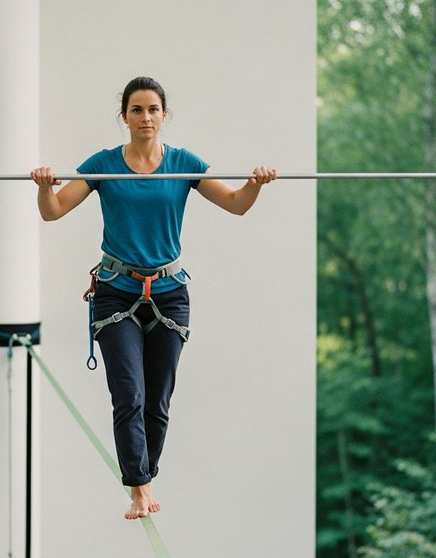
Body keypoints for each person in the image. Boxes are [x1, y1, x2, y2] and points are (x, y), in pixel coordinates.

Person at [31, 76, 276, 520]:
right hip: (115, 291)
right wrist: (45, 186)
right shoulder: (103, 165)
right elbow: (54, 212)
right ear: (124, 116)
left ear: (164, 115)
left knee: (158, 401)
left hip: (169, 292)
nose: (145, 117)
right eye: (136, 110)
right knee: (129, 394)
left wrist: (256, 183)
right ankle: (138, 487)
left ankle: (148, 474)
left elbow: (238, 203)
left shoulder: (184, 164)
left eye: (153, 110)